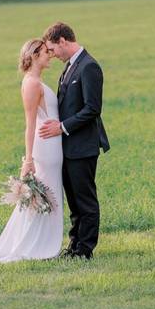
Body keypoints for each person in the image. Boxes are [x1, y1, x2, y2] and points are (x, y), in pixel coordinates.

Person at [0, 38, 64, 262]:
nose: (50, 55)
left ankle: (45, 241)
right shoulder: (31, 84)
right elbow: (30, 124)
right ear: (35, 56)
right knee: (44, 197)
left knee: (50, 194)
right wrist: (28, 159)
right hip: (45, 148)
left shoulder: (37, 81)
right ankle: (35, 244)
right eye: (46, 52)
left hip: (53, 144)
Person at [39, 21, 110, 260]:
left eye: (52, 49)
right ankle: (74, 245)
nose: (52, 54)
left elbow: (93, 108)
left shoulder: (89, 67)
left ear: (63, 41)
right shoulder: (69, 67)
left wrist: (62, 127)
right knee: (74, 202)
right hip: (69, 148)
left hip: (83, 147)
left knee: (85, 200)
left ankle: (85, 249)